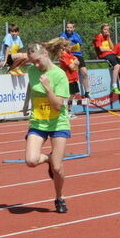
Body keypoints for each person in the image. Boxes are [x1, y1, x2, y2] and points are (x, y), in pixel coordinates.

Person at [21, 41, 71, 213]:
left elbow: (58, 105)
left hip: (58, 122)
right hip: (39, 121)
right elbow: (31, 85)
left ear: (45, 54)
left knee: (57, 168)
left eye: (37, 61)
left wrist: (48, 88)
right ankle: (49, 158)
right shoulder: (32, 70)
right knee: (31, 161)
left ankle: (59, 197)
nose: (35, 65)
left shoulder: (59, 75)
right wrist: (26, 102)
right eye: (32, 62)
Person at [94, 24, 120, 94]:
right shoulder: (98, 37)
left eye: (108, 30)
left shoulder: (106, 37)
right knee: (116, 66)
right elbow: (101, 49)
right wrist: (109, 50)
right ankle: (114, 86)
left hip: (110, 54)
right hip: (104, 55)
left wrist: (109, 37)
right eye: (105, 29)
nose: (106, 31)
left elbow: (112, 47)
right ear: (101, 30)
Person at [60, 21, 87, 96]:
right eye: (67, 27)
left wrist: (75, 59)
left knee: (84, 72)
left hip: (77, 55)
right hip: (69, 55)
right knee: (72, 72)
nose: (68, 29)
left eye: (70, 27)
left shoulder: (77, 35)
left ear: (73, 28)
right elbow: (62, 47)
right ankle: (68, 104)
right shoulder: (62, 36)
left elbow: (80, 45)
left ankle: (87, 92)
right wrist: (70, 49)